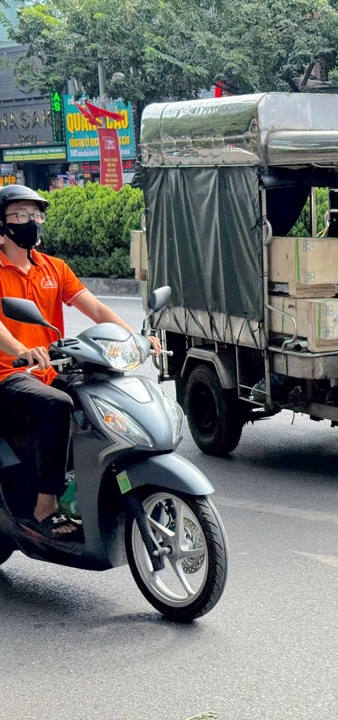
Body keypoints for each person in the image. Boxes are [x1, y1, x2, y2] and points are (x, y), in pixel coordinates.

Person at [0, 184, 161, 542]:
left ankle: (89, 488)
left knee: (101, 393)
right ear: (3, 224)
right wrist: (18, 350)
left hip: (47, 370)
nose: (32, 222)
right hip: (9, 374)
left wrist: (135, 336)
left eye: (37, 215)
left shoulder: (54, 268)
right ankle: (45, 506)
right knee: (57, 405)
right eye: (21, 215)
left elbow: (97, 309)